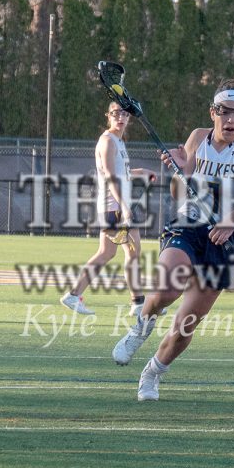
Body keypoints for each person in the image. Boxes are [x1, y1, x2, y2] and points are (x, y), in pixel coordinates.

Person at [111, 80, 234, 401]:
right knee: (166, 287)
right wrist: (182, 171)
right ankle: (142, 326)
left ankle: (153, 372)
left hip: (227, 238)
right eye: (226, 112)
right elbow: (177, 193)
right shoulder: (198, 138)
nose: (232, 120)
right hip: (189, 224)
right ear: (213, 112)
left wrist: (232, 220)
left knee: (186, 325)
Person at [60, 101, 157, 316]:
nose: (120, 117)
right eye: (115, 114)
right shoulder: (108, 141)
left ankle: (74, 295)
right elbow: (111, 177)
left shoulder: (118, 142)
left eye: (124, 114)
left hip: (115, 205)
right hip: (114, 206)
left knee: (109, 252)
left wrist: (142, 172)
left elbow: (122, 173)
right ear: (108, 116)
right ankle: (138, 303)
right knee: (131, 252)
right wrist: (124, 206)